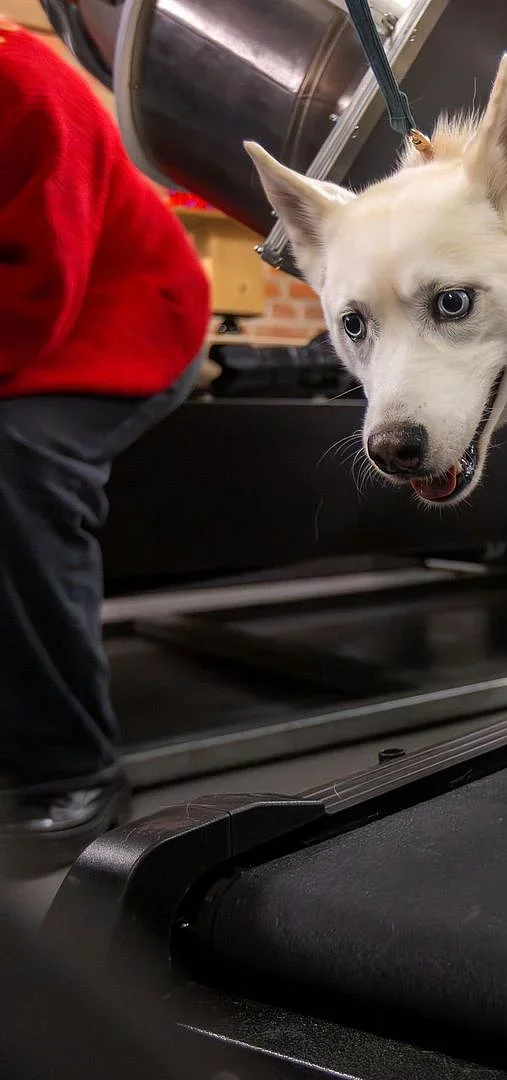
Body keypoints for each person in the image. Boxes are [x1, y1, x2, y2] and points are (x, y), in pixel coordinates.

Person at [0, 19, 211, 875]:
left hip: (122, 312)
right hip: (36, 311)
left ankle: (71, 768)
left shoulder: (26, 84)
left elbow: (38, 288)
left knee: (17, 464)